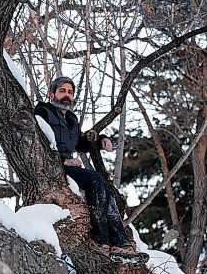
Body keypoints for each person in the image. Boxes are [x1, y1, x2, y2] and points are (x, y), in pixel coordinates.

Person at [34, 76, 140, 258]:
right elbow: (36, 144)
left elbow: (81, 142)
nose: (67, 95)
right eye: (62, 91)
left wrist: (101, 140)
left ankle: (120, 243)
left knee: (106, 188)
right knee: (94, 178)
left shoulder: (72, 119)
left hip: (67, 166)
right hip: (51, 166)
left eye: (70, 92)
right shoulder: (43, 112)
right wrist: (62, 160)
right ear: (52, 94)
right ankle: (100, 239)